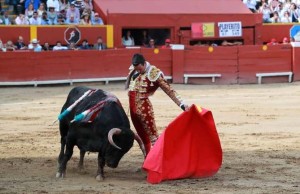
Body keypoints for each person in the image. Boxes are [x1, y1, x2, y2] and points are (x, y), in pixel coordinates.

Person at [125, 53, 190, 156]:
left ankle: (161, 161)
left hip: (144, 109)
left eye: (139, 69)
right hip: (132, 109)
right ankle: (148, 161)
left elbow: (169, 90)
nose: (137, 71)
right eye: (136, 69)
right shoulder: (134, 70)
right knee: (142, 137)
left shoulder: (154, 73)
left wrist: (182, 104)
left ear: (143, 64)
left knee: (154, 138)